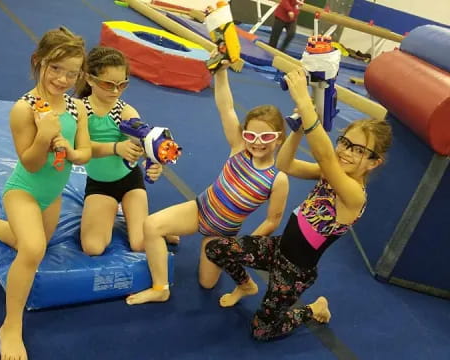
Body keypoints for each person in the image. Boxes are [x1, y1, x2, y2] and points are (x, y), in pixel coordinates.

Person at [205, 68, 392, 341]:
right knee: (216, 248)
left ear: (374, 162)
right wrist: (297, 131)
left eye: (360, 150)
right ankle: (246, 286)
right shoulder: (328, 172)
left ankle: (314, 308)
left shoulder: (354, 194)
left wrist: (306, 104)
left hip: (295, 271)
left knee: (261, 331)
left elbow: (326, 156)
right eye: (346, 143)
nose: (347, 152)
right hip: (278, 248)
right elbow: (284, 164)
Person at [0, 27, 90, 359]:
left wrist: (72, 148)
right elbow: (32, 163)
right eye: (55, 68)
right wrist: (44, 136)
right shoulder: (24, 110)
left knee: (30, 242)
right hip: (24, 190)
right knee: (33, 249)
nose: (63, 79)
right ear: (38, 62)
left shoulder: (76, 108)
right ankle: (10, 325)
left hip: (51, 194)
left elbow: (84, 153)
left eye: (71, 73)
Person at [126, 63, 290, 305]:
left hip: (222, 231)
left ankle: (246, 285)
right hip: (200, 209)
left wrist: (243, 246)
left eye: (265, 137)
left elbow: (272, 220)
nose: (256, 143)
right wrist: (221, 72)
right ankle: (160, 287)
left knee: (206, 283)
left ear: (279, 139)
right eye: (250, 135)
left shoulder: (278, 179)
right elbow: (226, 108)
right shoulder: (239, 148)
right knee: (150, 225)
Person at [75, 46, 177, 254]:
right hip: (100, 185)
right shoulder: (80, 109)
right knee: (93, 247)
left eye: (122, 85)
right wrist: (115, 148)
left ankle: (163, 227)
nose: (115, 91)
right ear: (90, 79)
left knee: (140, 244)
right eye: (108, 84)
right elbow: (79, 149)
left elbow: (146, 138)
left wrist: (156, 161)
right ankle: (111, 211)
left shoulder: (124, 110)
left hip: (130, 182)